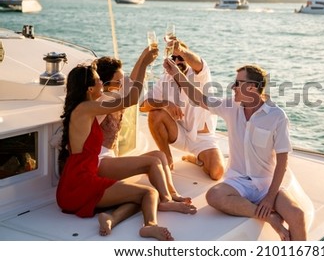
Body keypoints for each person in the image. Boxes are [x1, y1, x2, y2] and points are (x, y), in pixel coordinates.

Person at [163, 55, 308, 241]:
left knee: (297, 215)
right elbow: (198, 98)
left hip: (266, 183)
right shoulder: (231, 106)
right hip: (238, 182)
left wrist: (270, 198)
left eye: (238, 83)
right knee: (214, 195)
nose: (233, 87)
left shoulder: (277, 116)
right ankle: (270, 218)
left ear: (252, 87)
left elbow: (282, 162)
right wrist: (176, 72)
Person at [56, 47, 175, 241]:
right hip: (81, 185)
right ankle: (150, 226)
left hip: (74, 185)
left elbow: (126, 91)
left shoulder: (84, 110)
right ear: (90, 89)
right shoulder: (87, 108)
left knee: (137, 196)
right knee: (150, 193)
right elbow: (132, 98)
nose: (102, 83)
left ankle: (110, 218)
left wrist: (142, 62)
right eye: (98, 81)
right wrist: (144, 63)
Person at [92, 56, 197, 236]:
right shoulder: (104, 101)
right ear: (106, 83)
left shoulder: (117, 95)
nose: (123, 83)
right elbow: (133, 92)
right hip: (98, 161)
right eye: (119, 81)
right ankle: (165, 201)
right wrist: (145, 63)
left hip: (111, 159)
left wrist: (144, 58)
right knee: (152, 163)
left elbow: (131, 82)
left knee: (158, 155)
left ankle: (171, 193)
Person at [140, 39, 224, 180]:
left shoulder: (200, 74)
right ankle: (167, 158)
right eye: (174, 58)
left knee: (216, 173)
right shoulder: (165, 79)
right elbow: (143, 106)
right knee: (155, 113)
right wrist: (165, 103)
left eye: (181, 57)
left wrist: (181, 50)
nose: (178, 61)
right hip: (179, 133)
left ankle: (196, 158)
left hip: (202, 138)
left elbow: (198, 63)